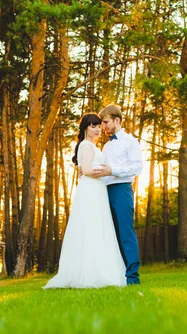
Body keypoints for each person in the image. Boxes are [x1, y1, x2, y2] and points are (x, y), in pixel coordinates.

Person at [43, 113, 126, 289]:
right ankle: (89, 273)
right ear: (85, 128)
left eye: (98, 126)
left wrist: (93, 170)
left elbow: (86, 169)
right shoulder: (86, 146)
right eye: (93, 126)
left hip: (97, 189)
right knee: (90, 228)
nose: (97, 130)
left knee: (97, 228)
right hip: (91, 190)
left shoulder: (93, 146)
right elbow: (87, 169)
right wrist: (105, 171)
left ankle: (100, 269)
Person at [87, 104, 143, 285]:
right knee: (111, 235)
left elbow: (137, 167)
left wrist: (113, 169)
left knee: (126, 233)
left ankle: (132, 278)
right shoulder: (106, 146)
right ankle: (117, 276)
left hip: (121, 189)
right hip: (105, 192)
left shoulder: (130, 141)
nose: (102, 126)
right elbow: (103, 171)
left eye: (105, 122)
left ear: (117, 120)